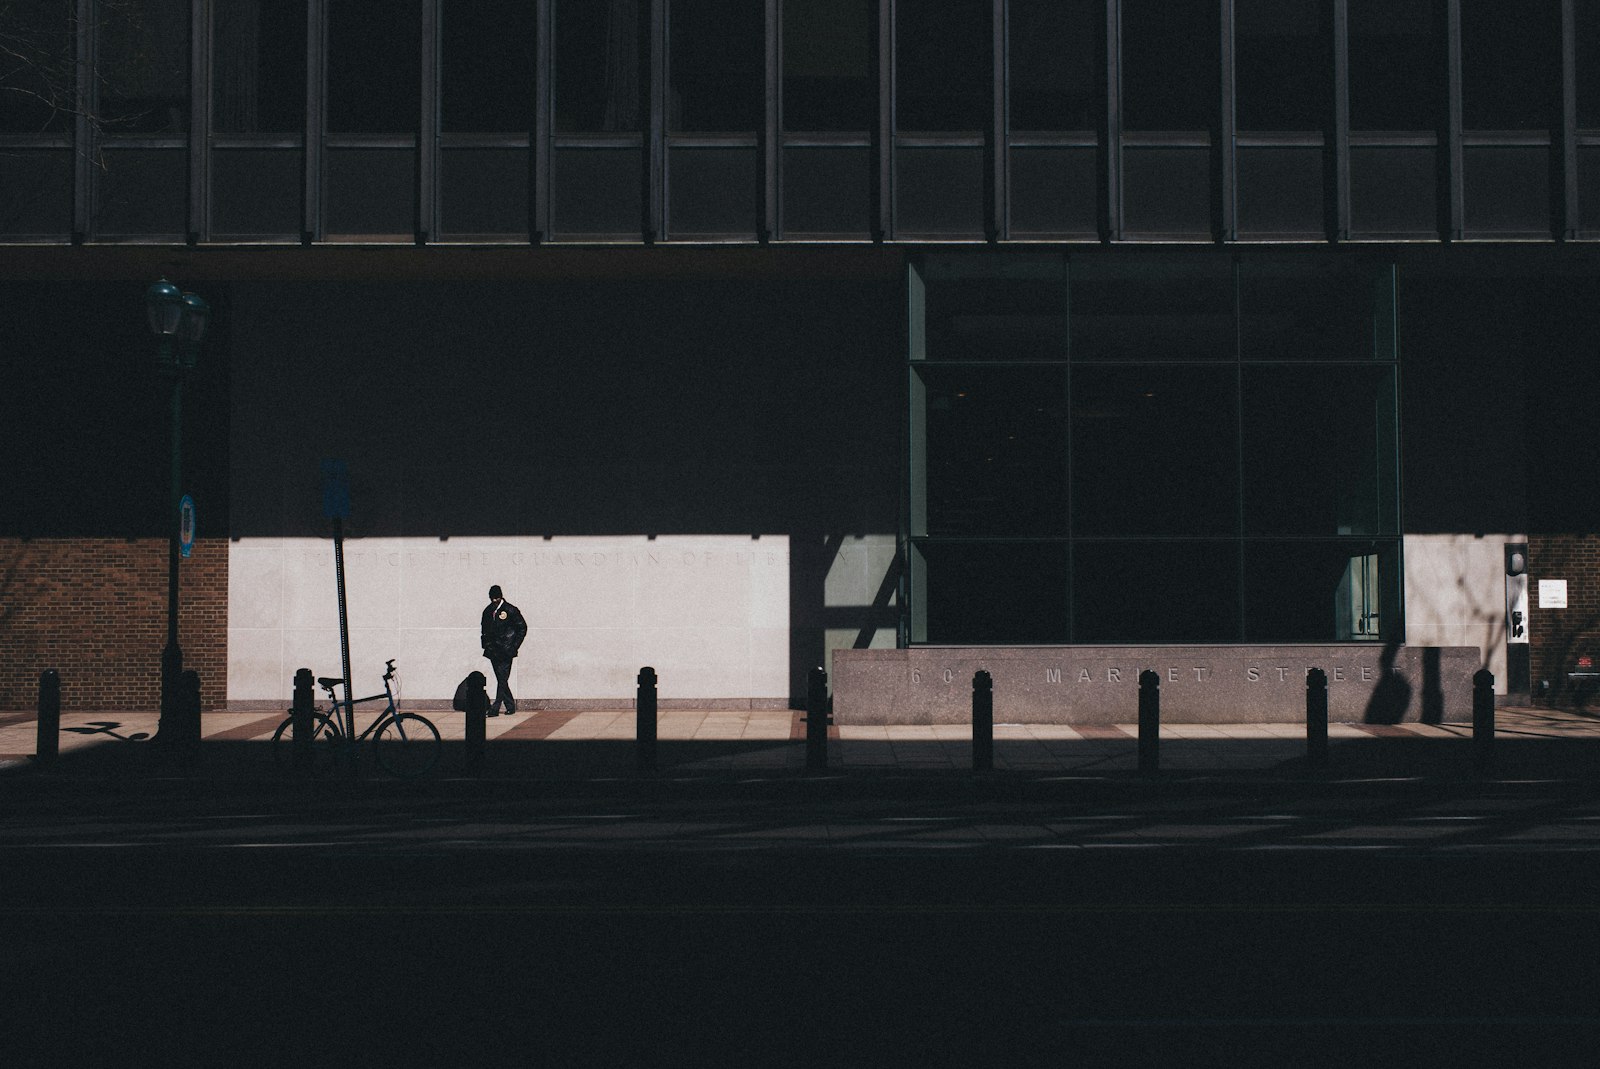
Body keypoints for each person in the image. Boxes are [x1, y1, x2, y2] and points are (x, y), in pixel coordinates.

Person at [480, 584, 527, 716]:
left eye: (496, 598)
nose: (494, 601)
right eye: (492, 598)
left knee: (502, 679)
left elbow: (522, 628)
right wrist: (486, 646)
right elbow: (484, 630)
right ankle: (510, 705)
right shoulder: (488, 611)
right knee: (502, 679)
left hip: (506, 650)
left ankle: (495, 708)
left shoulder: (510, 610)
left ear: (501, 596)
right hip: (493, 651)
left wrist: (514, 646)